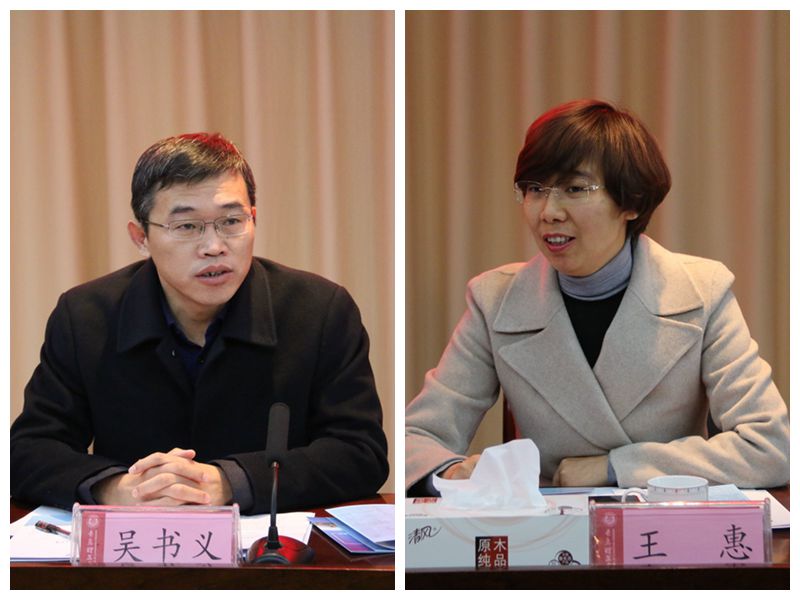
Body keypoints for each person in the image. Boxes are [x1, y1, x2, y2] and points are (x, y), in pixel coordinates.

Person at [406, 99, 789, 494]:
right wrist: (452, 473)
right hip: (548, 525)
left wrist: (616, 467)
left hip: (664, 524)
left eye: (574, 189)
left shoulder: (702, 292)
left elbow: (771, 446)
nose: (548, 212)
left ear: (631, 202)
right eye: (535, 189)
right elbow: (417, 441)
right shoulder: (495, 300)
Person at [11, 132, 389, 514]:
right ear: (141, 237)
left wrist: (231, 481)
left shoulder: (320, 311)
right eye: (187, 227)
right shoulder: (86, 316)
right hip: (137, 544)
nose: (214, 246)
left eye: (231, 221)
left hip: (270, 547)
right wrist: (117, 488)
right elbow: (29, 451)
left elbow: (360, 451)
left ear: (254, 219)